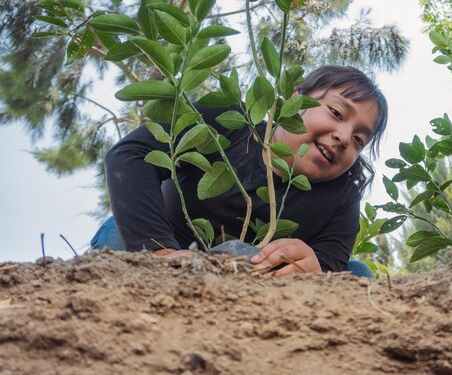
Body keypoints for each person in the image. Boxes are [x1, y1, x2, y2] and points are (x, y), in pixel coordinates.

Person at [90, 65, 388, 277]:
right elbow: (130, 155)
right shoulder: (229, 121)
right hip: (169, 245)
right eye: (336, 113)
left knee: (357, 273)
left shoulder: (343, 194)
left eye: (359, 140)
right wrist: (160, 252)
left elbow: (330, 260)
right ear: (294, 100)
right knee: (119, 231)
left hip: (257, 279)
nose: (344, 137)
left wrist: (312, 266)